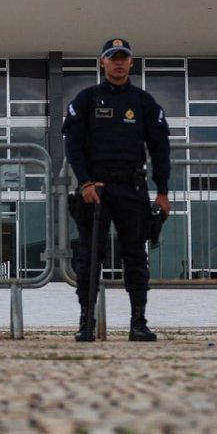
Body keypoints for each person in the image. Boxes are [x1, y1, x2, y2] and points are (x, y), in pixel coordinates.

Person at [61, 37, 172, 343]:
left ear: (131, 62)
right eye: (113, 57)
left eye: (124, 57)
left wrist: (162, 192)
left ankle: (138, 322)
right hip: (95, 189)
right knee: (89, 258)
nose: (118, 62)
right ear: (103, 62)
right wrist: (84, 182)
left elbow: (161, 148)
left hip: (132, 188)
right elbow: (73, 145)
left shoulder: (143, 102)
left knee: (136, 256)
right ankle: (86, 322)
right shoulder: (86, 100)